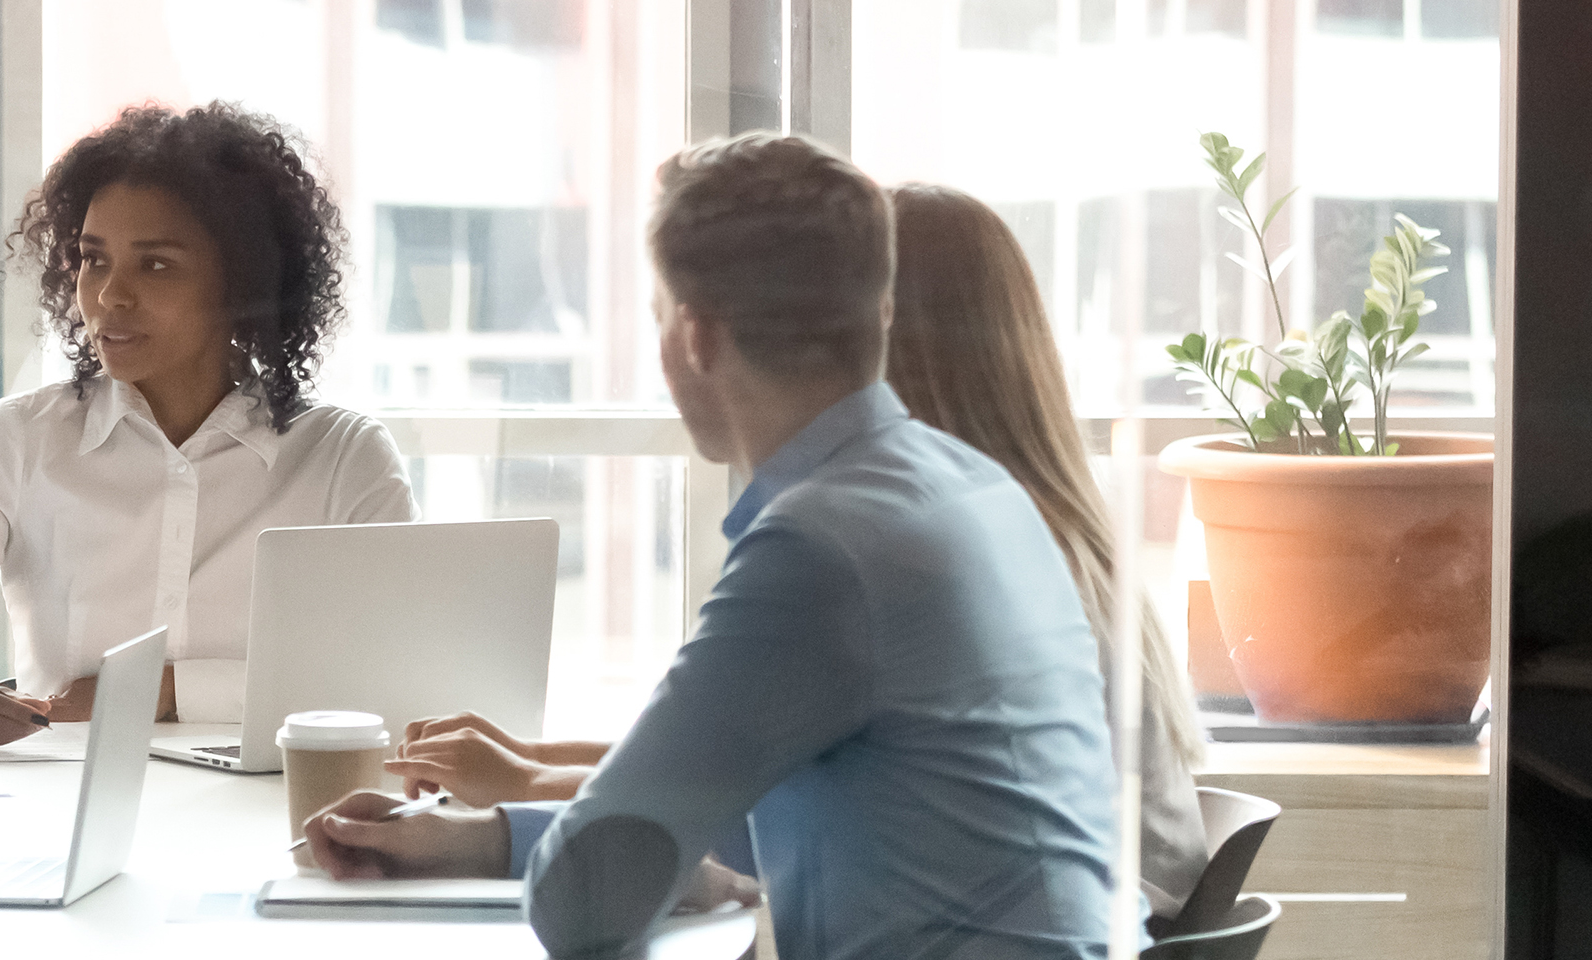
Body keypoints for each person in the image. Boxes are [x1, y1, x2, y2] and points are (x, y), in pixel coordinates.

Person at [303, 134, 1130, 958]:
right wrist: (479, 839)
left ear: (694, 337)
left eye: (658, 317)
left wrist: (578, 855)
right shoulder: (975, 488)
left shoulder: (819, 550)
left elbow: (583, 902)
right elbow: (752, 811)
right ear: (878, 312)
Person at [0, 102, 416, 753]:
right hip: (64, 807)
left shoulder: (344, 458)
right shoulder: (21, 439)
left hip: (272, 811)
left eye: (156, 264)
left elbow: (394, 681)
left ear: (245, 282)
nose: (110, 296)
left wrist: (163, 689)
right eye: (93, 260)